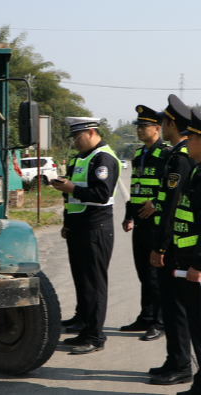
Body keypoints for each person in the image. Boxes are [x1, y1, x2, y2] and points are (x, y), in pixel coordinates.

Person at [51, 116, 121, 354]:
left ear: (91, 132)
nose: (75, 142)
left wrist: (72, 188)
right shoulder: (82, 157)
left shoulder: (103, 158)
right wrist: (67, 221)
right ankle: (84, 325)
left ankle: (95, 337)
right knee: (82, 281)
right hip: (78, 227)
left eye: (78, 137)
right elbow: (73, 193)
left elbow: (101, 193)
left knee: (94, 284)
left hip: (95, 229)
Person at [149, 94, 196, 386]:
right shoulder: (178, 154)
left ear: (171, 124)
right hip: (173, 245)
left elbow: (172, 207)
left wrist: (162, 245)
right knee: (170, 304)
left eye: (164, 122)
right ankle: (173, 358)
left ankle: (181, 364)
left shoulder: (181, 159)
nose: (161, 126)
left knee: (176, 307)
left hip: (176, 247)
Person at [120, 105, 170, 341]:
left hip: (156, 223)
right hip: (139, 223)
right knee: (142, 272)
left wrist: (156, 204)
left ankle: (159, 322)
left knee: (154, 274)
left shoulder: (167, 154)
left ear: (157, 129)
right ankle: (146, 316)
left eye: (144, 126)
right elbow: (135, 190)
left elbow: (170, 191)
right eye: (138, 126)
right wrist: (128, 215)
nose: (140, 130)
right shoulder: (139, 155)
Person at [168, 108, 201, 395]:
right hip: (187, 259)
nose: (186, 140)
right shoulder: (198, 169)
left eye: (191, 136)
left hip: (196, 265)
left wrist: (198, 264)